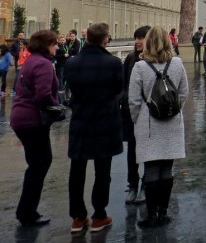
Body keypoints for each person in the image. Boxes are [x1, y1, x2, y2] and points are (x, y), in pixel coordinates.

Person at [64, 22, 123, 234]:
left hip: (81, 120)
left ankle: (78, 217)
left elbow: (70, 87)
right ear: (105, 39)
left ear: (86, 38)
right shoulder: (114, 63)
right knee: (103, 170)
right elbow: (118, 89)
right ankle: (99, 215)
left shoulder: (72, 63)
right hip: (105, 120)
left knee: (77, 170)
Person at [128, 26, 189, 228]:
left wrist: (138, 119)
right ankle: (163, 213)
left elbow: (134, 100)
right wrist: (173, 110)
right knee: (167, 168)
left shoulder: (140, 67)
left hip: (148, 123)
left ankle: (151, 215)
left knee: (151, 167)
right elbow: (183, 92)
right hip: (172, 123)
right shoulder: (177, 64)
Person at [9, 29, 60, 227]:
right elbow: (43, 95)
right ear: (46, 44)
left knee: (36, 163)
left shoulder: (31, 60)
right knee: (40, 164)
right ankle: (27, 212)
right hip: (33, 120)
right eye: (54, 43)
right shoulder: (44, 64)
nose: (56, 46)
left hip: (21, 117)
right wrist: (57, 104)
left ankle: (26, 210)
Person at [122, 26, 149, 205]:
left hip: (148, 113)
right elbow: (124, 83)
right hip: (131, 111)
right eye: (136, 38)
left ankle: (145, 185)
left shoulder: (154, 60)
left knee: (147, 150)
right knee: (132, 150)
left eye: (142, 38)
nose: (138, 42)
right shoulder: (131, 58)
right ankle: (132, 184)